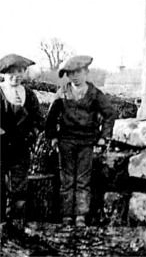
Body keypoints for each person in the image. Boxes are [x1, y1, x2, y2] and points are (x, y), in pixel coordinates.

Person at [44, 55, 117, 226]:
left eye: (78, 72)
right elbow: (51, 117)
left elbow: (110, 113)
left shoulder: (94, 94)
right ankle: (66, 215)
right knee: (67, 180)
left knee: (83, 180)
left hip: (86, 142)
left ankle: (81, 216)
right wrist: (53, 137)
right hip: (66, 142)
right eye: (70, 74)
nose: (75, 77)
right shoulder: (62, 93)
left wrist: (103, 137)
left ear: (86, 72)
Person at [0, 54, 42, 225]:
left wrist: (33, 133)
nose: (15, 76)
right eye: (11, 72)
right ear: (4, 73)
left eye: (20, 71)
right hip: (1, 146)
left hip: (21, 147)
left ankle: (16, 224)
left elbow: (38, 119)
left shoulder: (29, 95)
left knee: (19, 186)